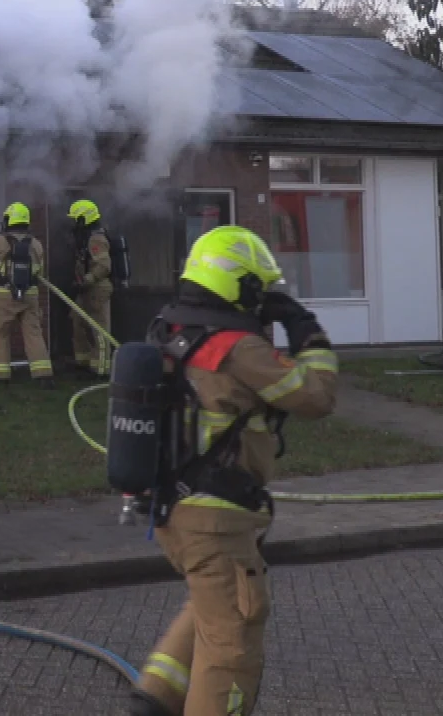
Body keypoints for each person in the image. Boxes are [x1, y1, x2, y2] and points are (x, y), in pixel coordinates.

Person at [129, 225, 340, 716]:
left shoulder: (168, 330)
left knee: (214, 605)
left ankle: (157, 694)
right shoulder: (238, 349)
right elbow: (317, 397)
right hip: (216, 518)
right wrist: (306, 329)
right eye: (257, 290)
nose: (262, 301)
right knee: (233, 641)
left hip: (172, 509)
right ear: (238, 285)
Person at [0, 203, 50, 385]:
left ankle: (2, 375)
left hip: (5, 295)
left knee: (1, 334)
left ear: (9, 220)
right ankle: (42, 374)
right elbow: (40, 274)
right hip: (31, 295)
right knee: (34, 333)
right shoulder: (36, 243)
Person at [67, 199, 113, 378]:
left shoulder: (96, 239)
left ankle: (101, 369)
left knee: (99, 329)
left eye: (75, 219)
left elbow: (104, 266)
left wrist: (86, 279)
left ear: (83, 219)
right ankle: (84, 363)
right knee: (78, 323)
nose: (73, 224)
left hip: (97, 288)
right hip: (85, 288)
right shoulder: (86, 238)